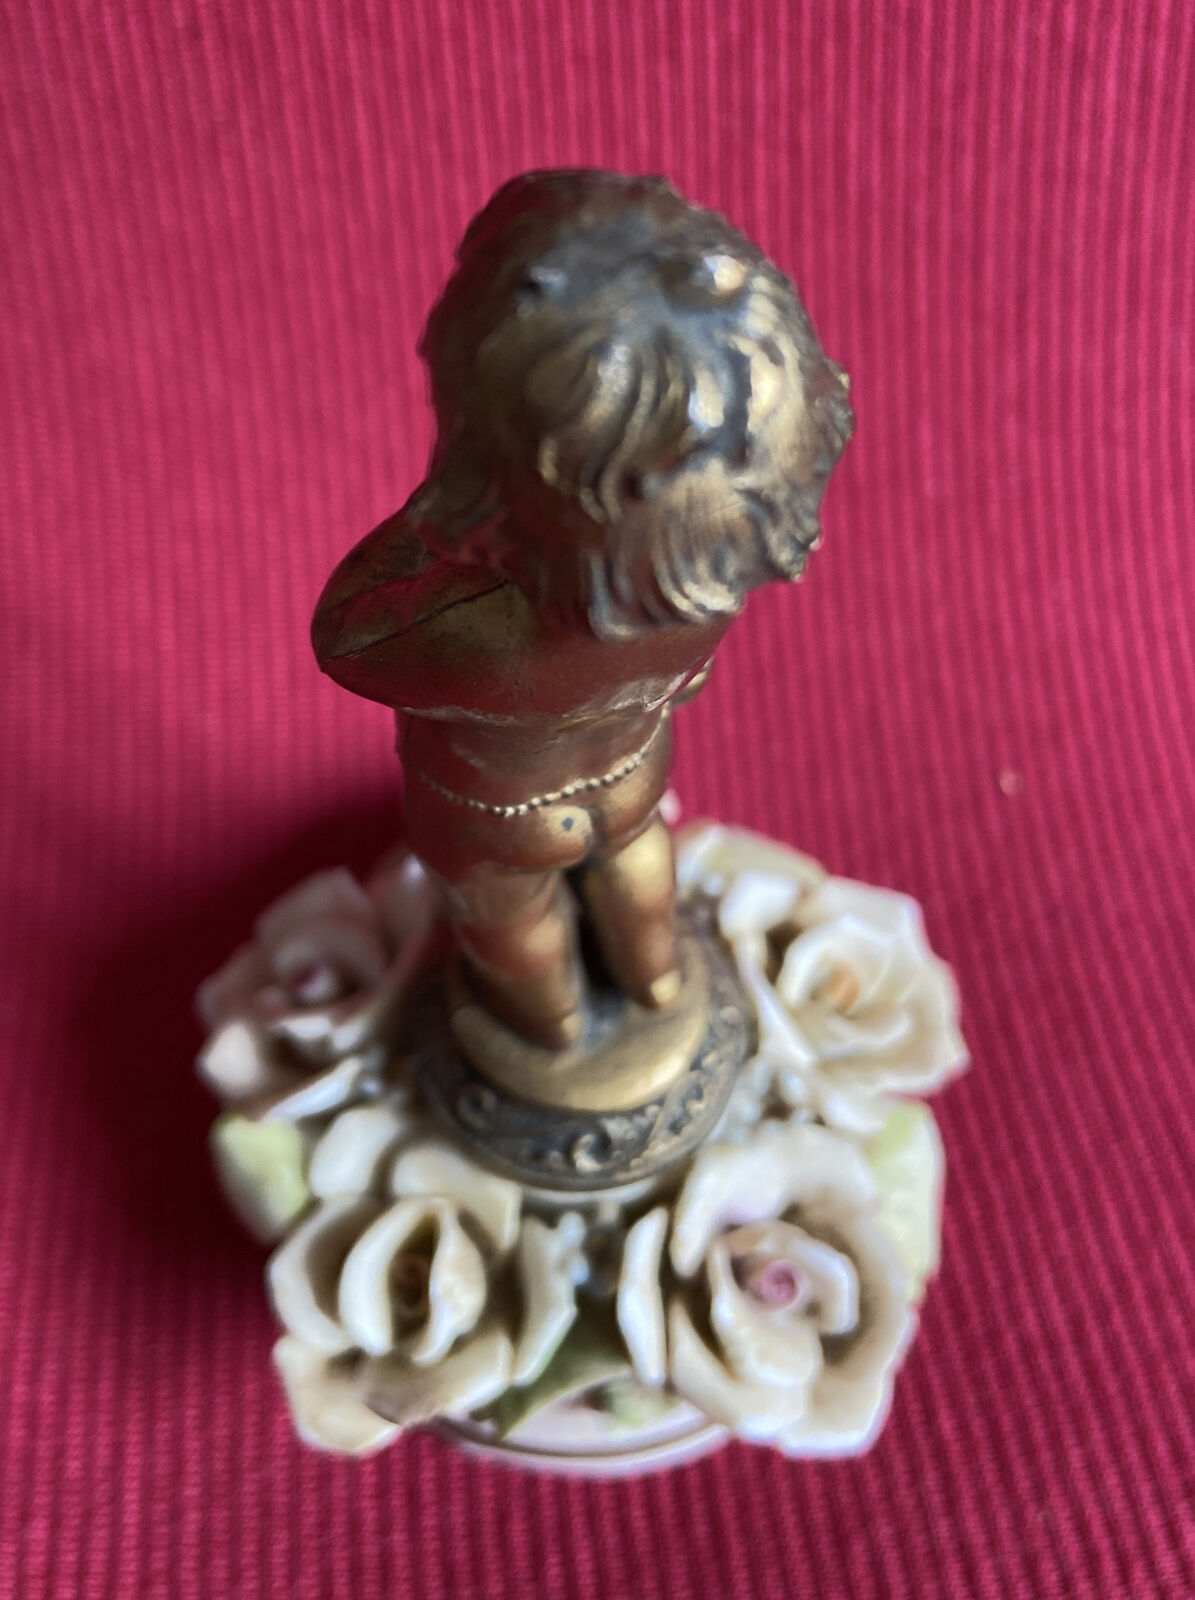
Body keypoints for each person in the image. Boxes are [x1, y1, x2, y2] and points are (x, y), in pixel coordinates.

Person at [312, 169, 852, 1049]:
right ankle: (657, 979)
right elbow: (687, 682)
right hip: (632, 768)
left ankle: (551, 1029)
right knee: (637, 861)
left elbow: (343, 634)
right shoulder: (695, 587)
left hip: (494, 814)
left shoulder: (470, 628)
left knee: (507, 915)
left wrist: (442, 516)